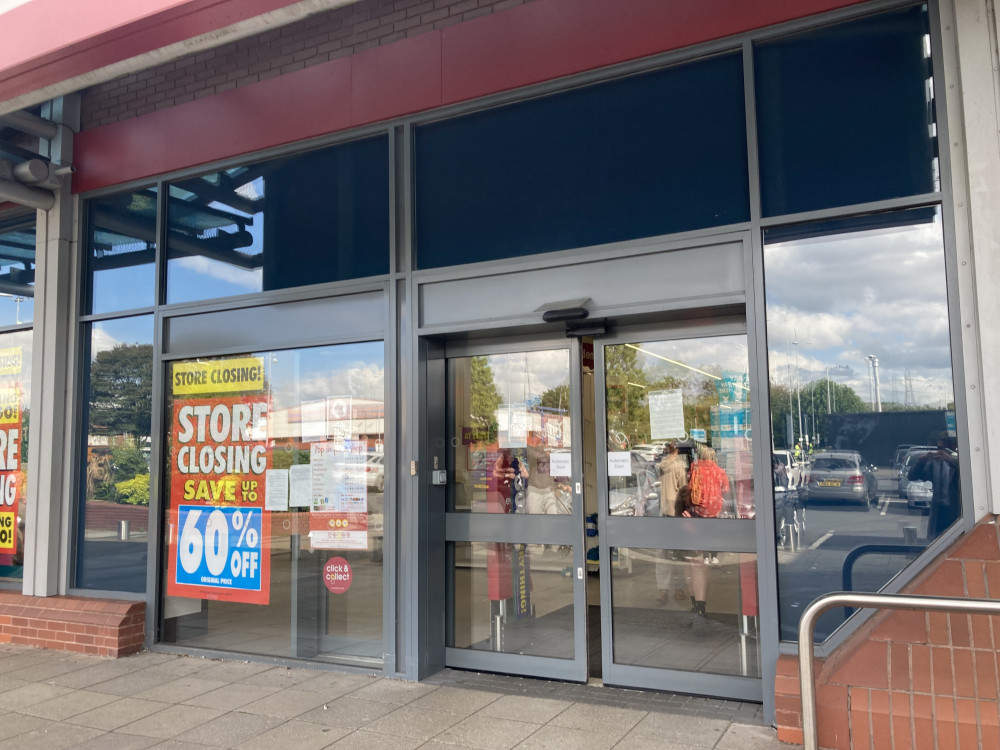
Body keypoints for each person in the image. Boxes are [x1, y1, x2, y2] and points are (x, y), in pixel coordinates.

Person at [684, 446, 731, 615]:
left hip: (698, 511)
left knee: (694, 554)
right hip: (714, 511)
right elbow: (726, 490)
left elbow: (690, 489)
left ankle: (702, 554)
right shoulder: (720, 471)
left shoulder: (695, 469)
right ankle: (711, 555)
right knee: (711, 537)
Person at [909, 432, 960, 539]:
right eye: (939, 443)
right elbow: (912, 476)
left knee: (956, 539)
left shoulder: (960, 461)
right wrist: (921, 462)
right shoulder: (935, 463)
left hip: (957, 509)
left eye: (945, 442)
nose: (940, 445)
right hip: (939, 509)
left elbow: (969, 474)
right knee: (936, 540)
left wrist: (952, 461)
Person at [655, 442, 688, 604]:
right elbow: (684, 488)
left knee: (662, 554)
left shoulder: (661, 465)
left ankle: (662, 590)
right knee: (678, 554)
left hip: (663, 511)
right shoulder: (678, 466)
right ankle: (679, 588)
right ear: (677, 450)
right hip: (676, 511)